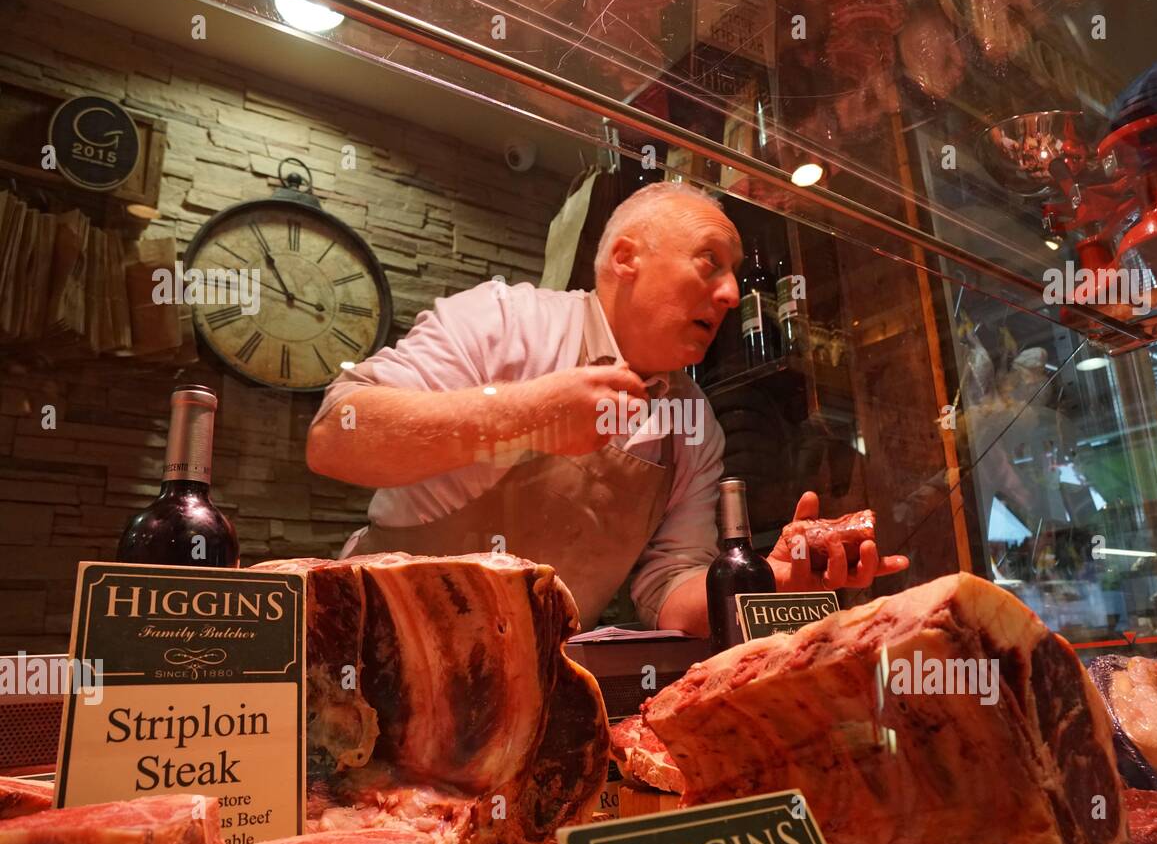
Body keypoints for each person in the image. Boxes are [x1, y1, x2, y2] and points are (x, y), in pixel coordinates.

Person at [306, 181, 907, 636]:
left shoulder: (692, 425)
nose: (729, 294)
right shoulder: (507, 322)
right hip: (374, 642)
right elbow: (337, 435)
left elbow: (667, 594)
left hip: (532, 688)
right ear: (626, 258)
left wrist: (763, 580)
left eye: (734, 275)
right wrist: (525, 416)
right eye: (710, 262)